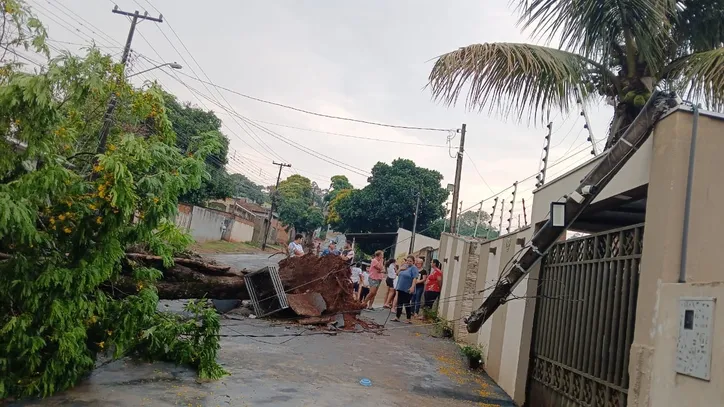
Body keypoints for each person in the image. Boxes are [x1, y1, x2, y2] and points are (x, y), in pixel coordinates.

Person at [391, 255, 419, 323]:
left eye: (410, 261)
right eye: (407, 261)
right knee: (399, 302)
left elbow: (415, 278)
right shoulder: (404, 266)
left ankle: (408, 318)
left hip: (408, 288)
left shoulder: (414, 268)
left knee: (406, 303)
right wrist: (400, 269)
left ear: (413, 262)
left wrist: (412, 287)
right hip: (401, 287)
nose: (408, 262)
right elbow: (397, 274)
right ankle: (397, 317)